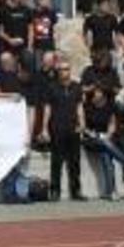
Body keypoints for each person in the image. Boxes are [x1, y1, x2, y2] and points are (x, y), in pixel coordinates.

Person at [41, 61, 86, 202]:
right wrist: (44, 129)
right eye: (60, 69)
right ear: (57, 72)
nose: (63, 72)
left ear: (70, 70)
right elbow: (47, 109)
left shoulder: (77, 87)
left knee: (75, 162)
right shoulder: (51, 87)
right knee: (57, 162)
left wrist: (82, 124)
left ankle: (76, 191)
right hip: (57, 128)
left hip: (73, 128)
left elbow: (79, 107)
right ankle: (55, 191)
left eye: (66, 69)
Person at [82, 87, 124, 200]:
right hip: (90, 139)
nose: (96, 96)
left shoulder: (109, 107)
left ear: (103, 96)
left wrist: (107, 135)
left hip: (105, 139)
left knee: (106, 156)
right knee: (105, 145)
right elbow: (83, 128)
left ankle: (110, 191)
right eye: (94, 94)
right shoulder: (87, 107)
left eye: (98, 93)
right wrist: (95, 135)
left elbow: (112, 124)